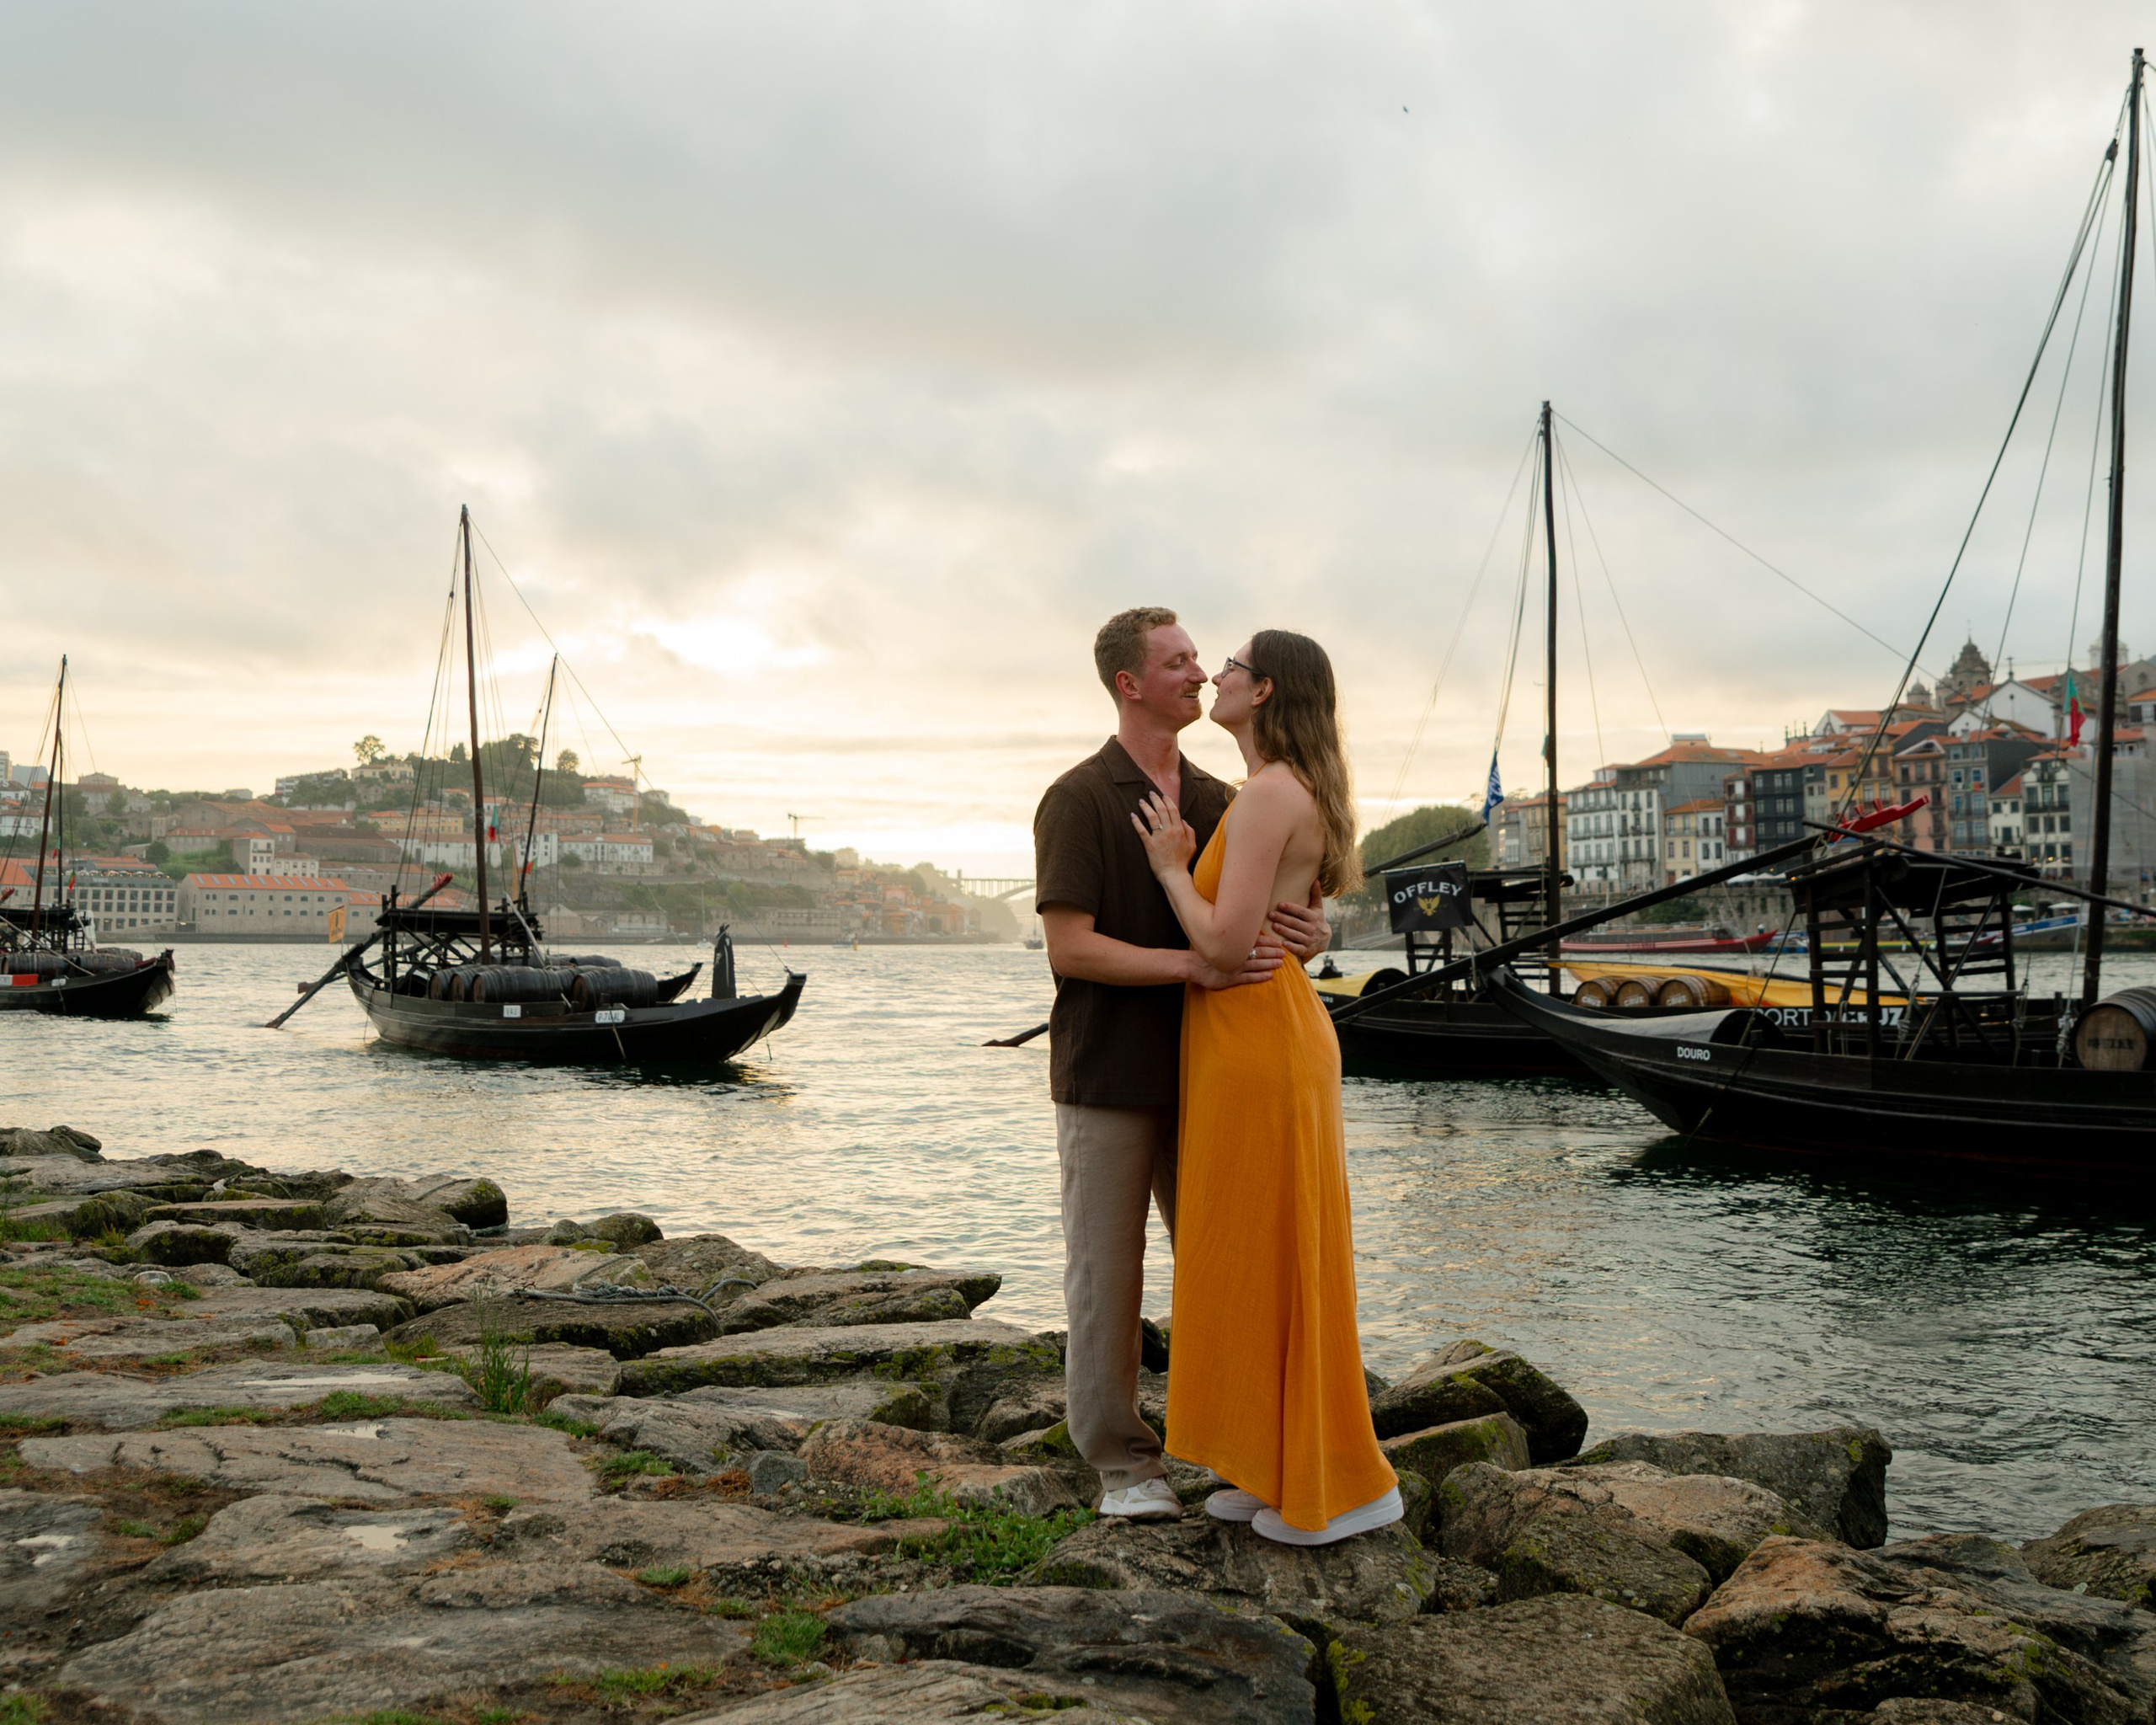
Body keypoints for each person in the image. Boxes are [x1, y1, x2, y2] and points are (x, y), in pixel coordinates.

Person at [1033, 607, 1333, 1522]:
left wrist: (1317, 935)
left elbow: (1274, 921)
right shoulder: (1079, 797)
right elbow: (1070, 949)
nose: (1199, 672)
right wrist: (1192, 965)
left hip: (1219, 1072)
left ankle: (1238, 1451)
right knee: (1106, 1271)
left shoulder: (1220, 797)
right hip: (1111, 1072)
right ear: (1130, 683)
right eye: (1177, 661)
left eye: (1203, 658)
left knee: (1223, 1266)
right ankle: (1123, 1466)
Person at [1131, 628, 1401, 1545]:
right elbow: (1296, 919)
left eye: (1233, 667)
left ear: (1268, 689)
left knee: (1276, 1254)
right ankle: (1267, 1457)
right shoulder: (1292, 791)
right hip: (1260, 1037)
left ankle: (1344, 1480)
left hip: (1259, 1041)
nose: (1216, 675)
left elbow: (1219, 943)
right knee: (1250, 1250)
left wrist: (1172, 868)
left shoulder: (1267, 796)